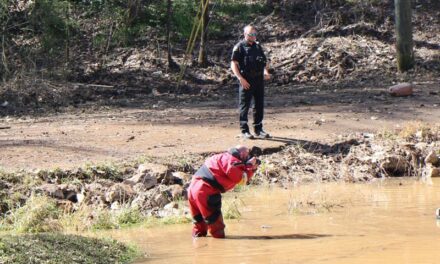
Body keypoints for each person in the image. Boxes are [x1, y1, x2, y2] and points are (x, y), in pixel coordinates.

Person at [187, 145, 259, 238]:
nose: (248, 157)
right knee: (216, 226)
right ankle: (218, 249)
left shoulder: (221, 157)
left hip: (192, 189)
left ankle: (197, 245)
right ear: (241, 154)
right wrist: (250, 167)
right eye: (247, 155)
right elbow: (241, 179)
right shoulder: (232, 161)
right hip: (205, 191)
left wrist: (246, 166)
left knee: (199, 225)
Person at [231, 24, 272, 139]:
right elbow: (234, 64)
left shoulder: (258, 47)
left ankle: (258, 129)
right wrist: (240, 78)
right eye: (251, 34)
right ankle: (244, 130)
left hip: (258, 79)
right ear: (245, 35)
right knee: (244, 105)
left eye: (255, 34)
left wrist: (265, 72)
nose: (254, 36)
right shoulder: (239, 47)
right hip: (246, 79)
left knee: (259, 105)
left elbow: (263, 62)